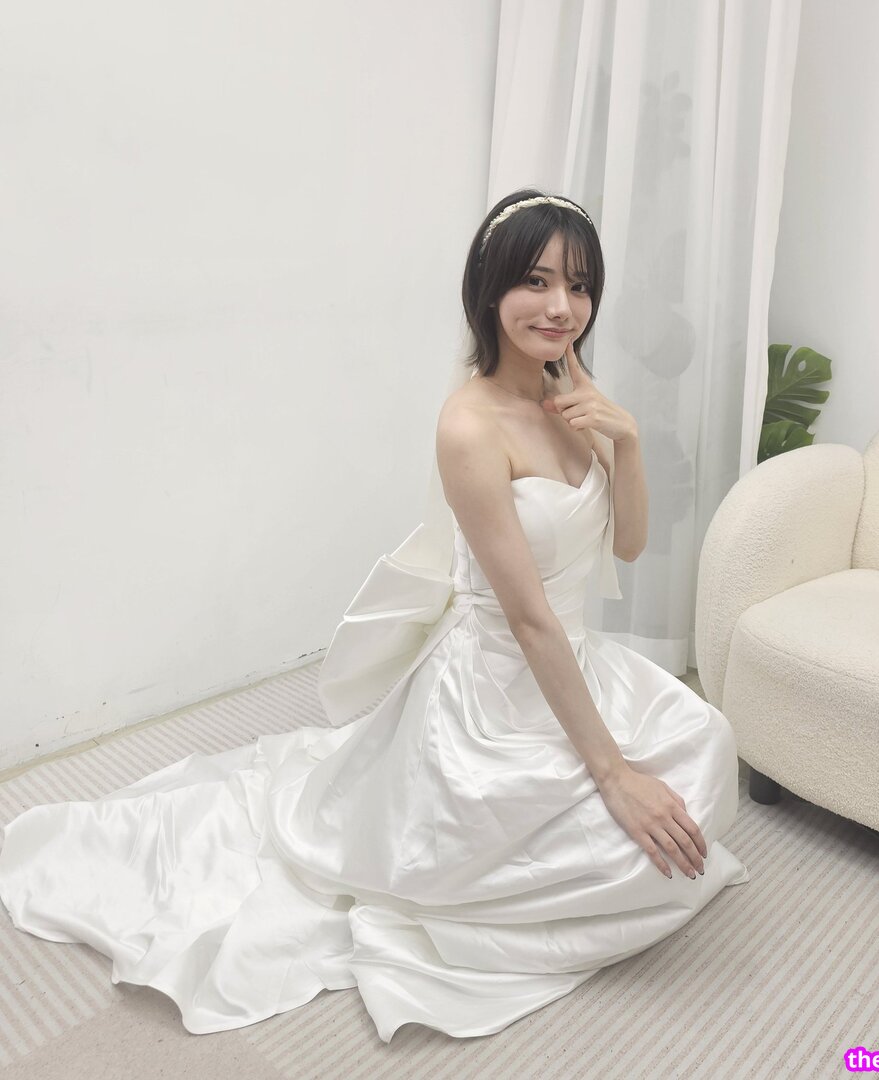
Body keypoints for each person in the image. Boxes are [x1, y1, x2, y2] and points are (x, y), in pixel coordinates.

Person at [0, 189, 748, 1044]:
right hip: (495, 696)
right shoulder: (468, 426)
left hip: (576, 667)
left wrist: (626, 440)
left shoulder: (571, 392)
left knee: (706, 749)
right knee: (618, 823)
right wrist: (612, 776)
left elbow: (628, 546)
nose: (559, 307)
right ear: (489, 291)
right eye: (536, 281)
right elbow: (530, 621)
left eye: (578, 286)